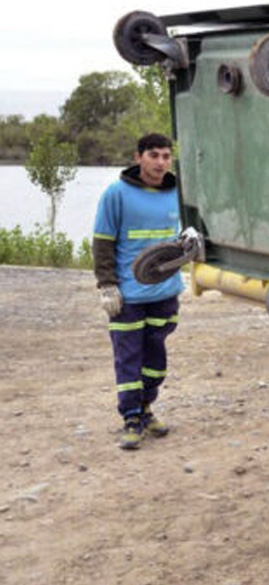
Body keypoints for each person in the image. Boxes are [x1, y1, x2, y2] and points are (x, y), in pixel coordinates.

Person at [93, 133, 184, 450]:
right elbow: (103, 242)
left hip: (166, 292)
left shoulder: (178, 193)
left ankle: (146, 408)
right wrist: (106, 285)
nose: (161, 162)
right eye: (154, 155)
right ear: (138, 157)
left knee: (155, 360)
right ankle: (131, 418)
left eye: (165, 156)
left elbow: (187, 235)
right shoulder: (116, 194)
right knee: (128, 358)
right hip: (128, 297)